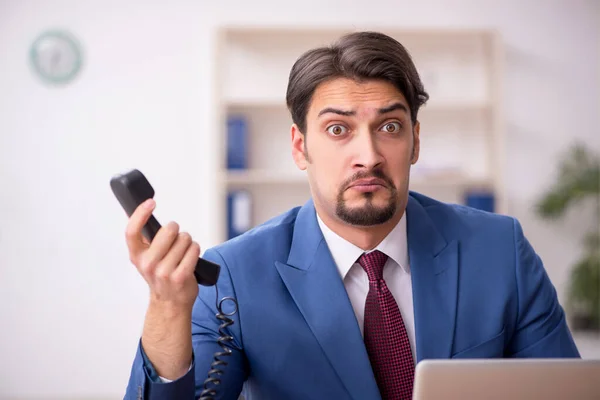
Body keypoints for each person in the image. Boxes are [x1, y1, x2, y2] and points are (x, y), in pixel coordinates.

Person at [122, 31, 580, 400]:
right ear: (301, 147)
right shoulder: (232, 277)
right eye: (338, 129)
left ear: (415, 142)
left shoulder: (500, 250)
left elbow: (566, 392)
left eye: (390, 126)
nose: (369, 155)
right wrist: (167, 309)